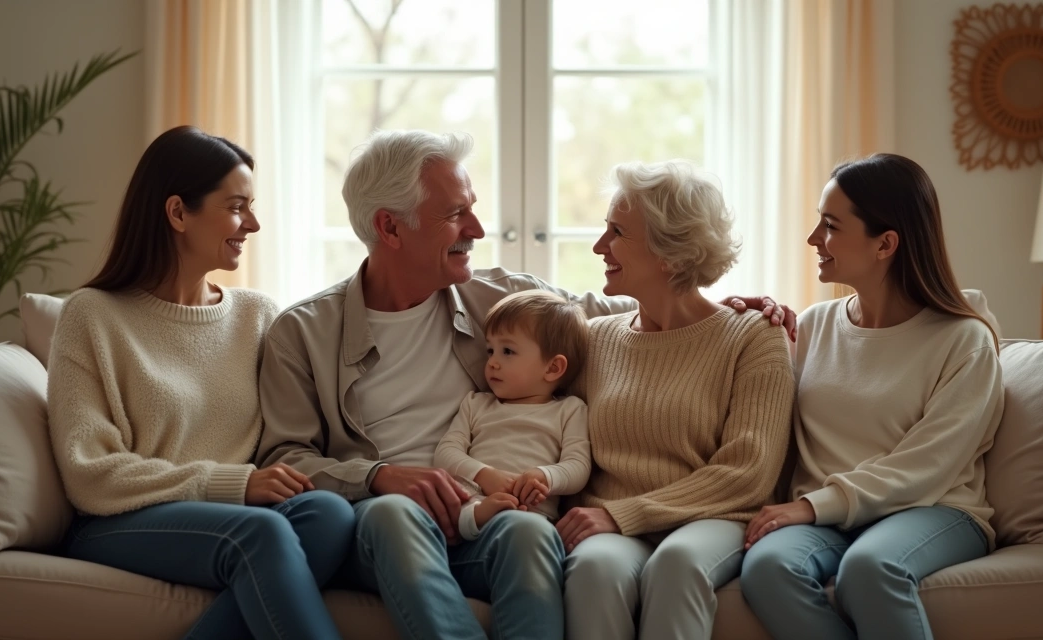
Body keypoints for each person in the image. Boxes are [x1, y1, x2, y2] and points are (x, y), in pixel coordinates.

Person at [255, 130, 793, 640]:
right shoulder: (302, 333)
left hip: (489, 517)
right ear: (391, 228)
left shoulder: (502, 300)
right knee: (399, 515)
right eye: (456, 214)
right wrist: (377, 477)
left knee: (533, 530)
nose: (478, 230)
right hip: (382, 526)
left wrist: (739, 306)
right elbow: (284, 459)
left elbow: (645, 312)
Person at [47, 126, 355, 640]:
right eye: (237, 207)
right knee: (262, 532)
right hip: (120, 520)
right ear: (177, 213)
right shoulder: (93, 316)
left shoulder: (257, 317)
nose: (252, 223)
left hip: (234, 515)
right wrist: (230, 483)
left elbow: (284, 439)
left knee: (328, 513)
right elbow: (89, 472)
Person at [739, 153, 1004, 640]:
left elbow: (930, 463)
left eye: (830, 226)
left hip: (931, 509)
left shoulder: (964, 339)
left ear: (885, 243)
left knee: (868, 569)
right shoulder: (815, 326)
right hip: (827, 515)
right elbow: (754, 402)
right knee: (767, 568)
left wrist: (814, 505)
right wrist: (731, 319)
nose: (814, 239)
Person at [556, 160, 796, 640]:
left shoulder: (753, 336)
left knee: (676, 564)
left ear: (669, 252)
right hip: (613, 519)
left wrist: (625, 513)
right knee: (593, 570)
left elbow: (748, 471)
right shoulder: (595, 338)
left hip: (712, 518)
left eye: (617, 232)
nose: (600, 246)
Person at [434, 289, 591, 541]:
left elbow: (578, 466)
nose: (493, 362)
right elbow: (446, 453)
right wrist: (484, 475)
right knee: (460, 513)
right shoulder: (476, 403)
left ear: (553, 368)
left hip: (532, 515)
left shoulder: (570, 410)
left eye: (507, 351)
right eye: (490, 351)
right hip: (473, 502)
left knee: (532, 532)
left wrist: (544, 476)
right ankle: (476, 520)